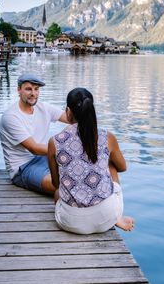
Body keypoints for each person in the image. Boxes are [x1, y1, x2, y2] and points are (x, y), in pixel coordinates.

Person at [48, 87, 134, 234]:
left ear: (68, 111)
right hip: (106, 217)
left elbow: (56, 184)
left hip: (70, 223)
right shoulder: (107, 137)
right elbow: (122, 167)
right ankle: (115, 217)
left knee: (57, 193)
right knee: (110, 162)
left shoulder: (54, 142)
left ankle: (95, 215)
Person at [0, 72, 68, 194]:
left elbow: (69, 119)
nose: (33, 93)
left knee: (83, 173)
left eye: (36, 89)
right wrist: (70, 149)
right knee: (64, 188)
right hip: (24, 168)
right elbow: (34, 148)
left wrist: (82, 108)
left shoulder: (43, 107)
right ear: (19, 90)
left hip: (45, 158)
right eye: (28, 89)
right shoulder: (11, 117)